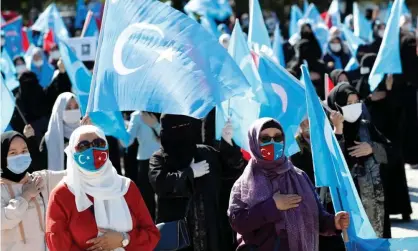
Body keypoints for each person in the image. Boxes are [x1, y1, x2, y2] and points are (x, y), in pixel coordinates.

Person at [228, 118, 349, 251]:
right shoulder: (244, 183)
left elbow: (317, 217)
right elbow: (238, 222)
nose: (273, 143)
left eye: (277, 137)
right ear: (254, 142)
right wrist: (272, 206)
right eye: (265, 138)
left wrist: (333, 223)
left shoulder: (299, 176)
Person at [46, 125, 160, 251]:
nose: (93, 150)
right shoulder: (62, 194)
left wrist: (124, 239)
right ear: (73, 152)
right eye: (83, 146)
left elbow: (152, 235)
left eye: (99, 143)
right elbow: (57, 246)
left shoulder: (125, 187)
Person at [149, 114, 245, 251]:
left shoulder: (205, 153)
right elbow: (161, 185)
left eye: (183, 127)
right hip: (178, 235)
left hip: (211, 231)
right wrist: (190, 173)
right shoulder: (159, 158)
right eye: (174, 128)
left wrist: (227, 141)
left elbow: (233, 169)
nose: (179, 133)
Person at [327, 82, 390, 238]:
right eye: (348, 103)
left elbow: (391, 152)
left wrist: (372, 148)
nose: (354, 106)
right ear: (337, 105)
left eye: (356, 102)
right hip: (344, 204)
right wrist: (338, 130)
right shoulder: (327, 130)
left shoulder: (366, 127)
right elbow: (332, 162)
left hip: (372, 200)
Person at [1, 131, 66, 251]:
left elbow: (74, 175)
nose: (20, 156)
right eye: (13, 153)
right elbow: (3, 221)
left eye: (24, 151)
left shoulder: (40, 179)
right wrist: (25, 196)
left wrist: (82, 139)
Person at [290, 120, 346, 251]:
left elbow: (337, 155)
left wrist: (337, 128)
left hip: (328, 203)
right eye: (303, 121)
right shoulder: (294, 146)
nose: (307, 124)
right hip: (307, 204)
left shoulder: (324, 140)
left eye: (310, 119)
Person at [122, 111, 161, 220]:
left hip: (164, 159)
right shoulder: (137, 115)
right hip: (145, 161)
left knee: (165, 198)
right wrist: (119, 128)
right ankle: (151, 230)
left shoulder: (163, 108)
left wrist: (155, 125)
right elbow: (126, 142)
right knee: (147, 200)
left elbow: (169, 138)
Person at [39, 92, 81, 171]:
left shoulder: (86, 131)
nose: (73, 111)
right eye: (68, 108)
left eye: (76, 107)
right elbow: (40, 165)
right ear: (59, 110)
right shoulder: (49, 139)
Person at [9, 71, 49, 143]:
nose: (30, 87)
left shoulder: (42, 94)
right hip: (30, 141)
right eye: (25, 83)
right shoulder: (18, 104)